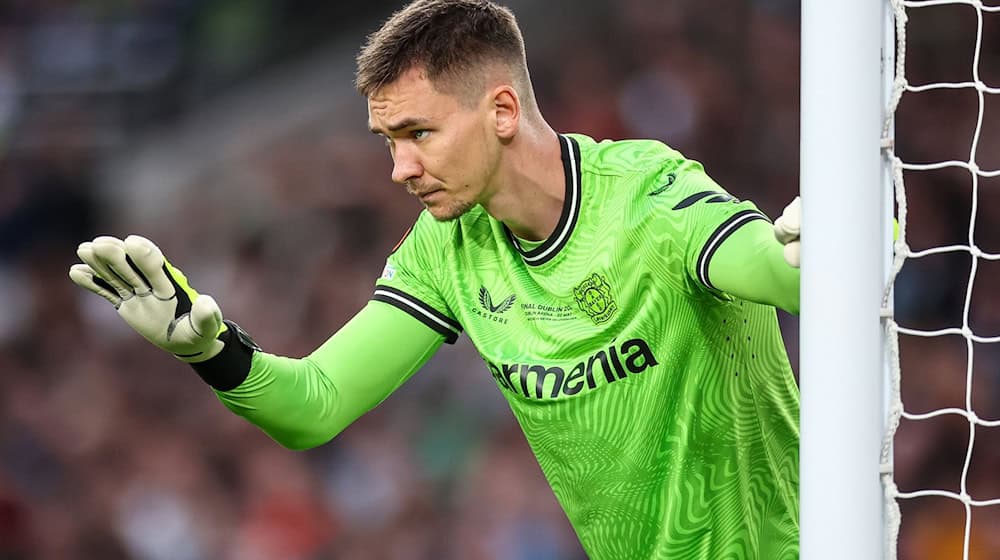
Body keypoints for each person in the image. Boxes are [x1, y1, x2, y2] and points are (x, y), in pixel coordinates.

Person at [69, 0, 803, 558]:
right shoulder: (447, 247)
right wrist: (211, 350)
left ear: (503, 111)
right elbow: (315, 405)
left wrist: (836, 241)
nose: (400, 169)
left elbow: (778, 270)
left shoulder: (646, 196)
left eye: (418, 134)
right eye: (390, 141)